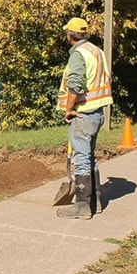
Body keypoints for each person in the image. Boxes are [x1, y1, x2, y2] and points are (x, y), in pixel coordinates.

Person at [56, 17, 113, 219]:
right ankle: (95, 201)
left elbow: (75, 83)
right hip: (97, 112)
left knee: (81, 158)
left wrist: (69, 108)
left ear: (70, 35)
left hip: (83, 112)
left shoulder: (79, 54)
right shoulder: (96, 51)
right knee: (89, 156)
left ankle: (82, 205)